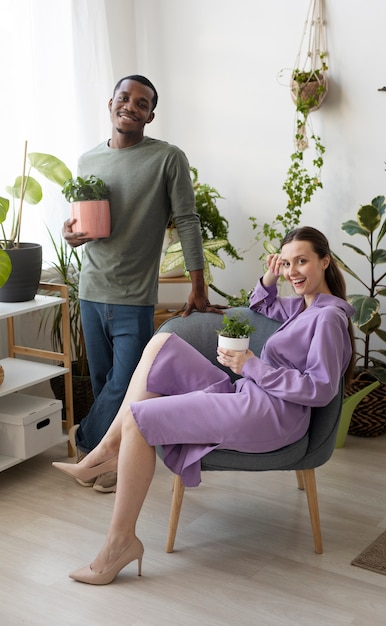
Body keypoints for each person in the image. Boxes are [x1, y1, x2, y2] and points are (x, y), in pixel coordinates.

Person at [53, 226, 355, 585]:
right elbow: (261, 304)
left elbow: (320, 389)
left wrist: (252, 366)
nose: (294, 272)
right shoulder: (304, 306)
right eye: (288, 262)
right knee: (161, 344)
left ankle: (119, 543)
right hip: (251, 396)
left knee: (139, 420)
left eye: (302, 261)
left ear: (325, 261)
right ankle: (106, 450)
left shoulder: (329, 317)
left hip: (273, 415)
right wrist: (272, 275)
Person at [63, 74, 225, 492]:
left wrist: (198, 284)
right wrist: (71, 233)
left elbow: (187, 221)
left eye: (141, 103)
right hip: (90, 289)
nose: (130, 106)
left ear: (151, 114)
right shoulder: (87, 161)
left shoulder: (167, 158)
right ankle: (110, 461)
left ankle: (86, 445)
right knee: (103, 383)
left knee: (126, 383)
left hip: (134, 295)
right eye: (124, 98)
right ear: (111, 103)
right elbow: (83, 221)